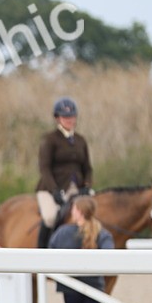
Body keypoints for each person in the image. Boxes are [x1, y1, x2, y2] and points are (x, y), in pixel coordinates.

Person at [48, 195, 114, 303]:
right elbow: (110, 256)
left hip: (69, 290)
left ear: (78, 211)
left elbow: (50, 251)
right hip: (94, 288)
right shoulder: (102, 234)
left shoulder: (62, 232)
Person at [35, 97, 93, 248]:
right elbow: (44, 168)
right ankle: (42, 252)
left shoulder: (81, 140)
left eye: (72, 116)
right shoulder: (49, 139)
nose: (69, 120)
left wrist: (87, 185)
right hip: (51, 188)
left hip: (77, 188)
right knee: (50, 217)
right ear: (57, 118)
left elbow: (87, 167)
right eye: (65, 117)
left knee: (94, 213)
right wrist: (54, 190)